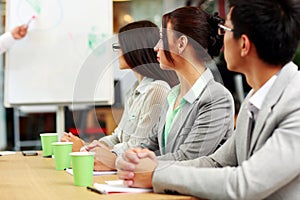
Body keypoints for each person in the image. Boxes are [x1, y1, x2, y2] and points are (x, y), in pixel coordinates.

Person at [117, 0, 300, 199]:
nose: (220, 39)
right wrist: (144, 167)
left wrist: (155, 174)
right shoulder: (254, 100)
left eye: (225, 30)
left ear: (244, 44)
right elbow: (215, 163)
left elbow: (244, 183)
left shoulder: (295, 103)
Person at [61, 20, 179, 170]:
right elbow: (118, 136)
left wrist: (86, 151)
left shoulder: (157, 89)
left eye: (119, 47)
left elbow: (138, 146)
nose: (117, 52)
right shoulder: (134, 90)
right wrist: (88, 147)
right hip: (121, 165)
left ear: (133, 50)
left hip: (134, 169)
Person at [127, 6, 234, 162]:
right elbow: (150, 145)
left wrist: (137, 163)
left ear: (181, 44)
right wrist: (128, 157)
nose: (156, 47)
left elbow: (187, 158)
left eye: (162, 38)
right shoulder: (172, 95)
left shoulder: (216, 98)